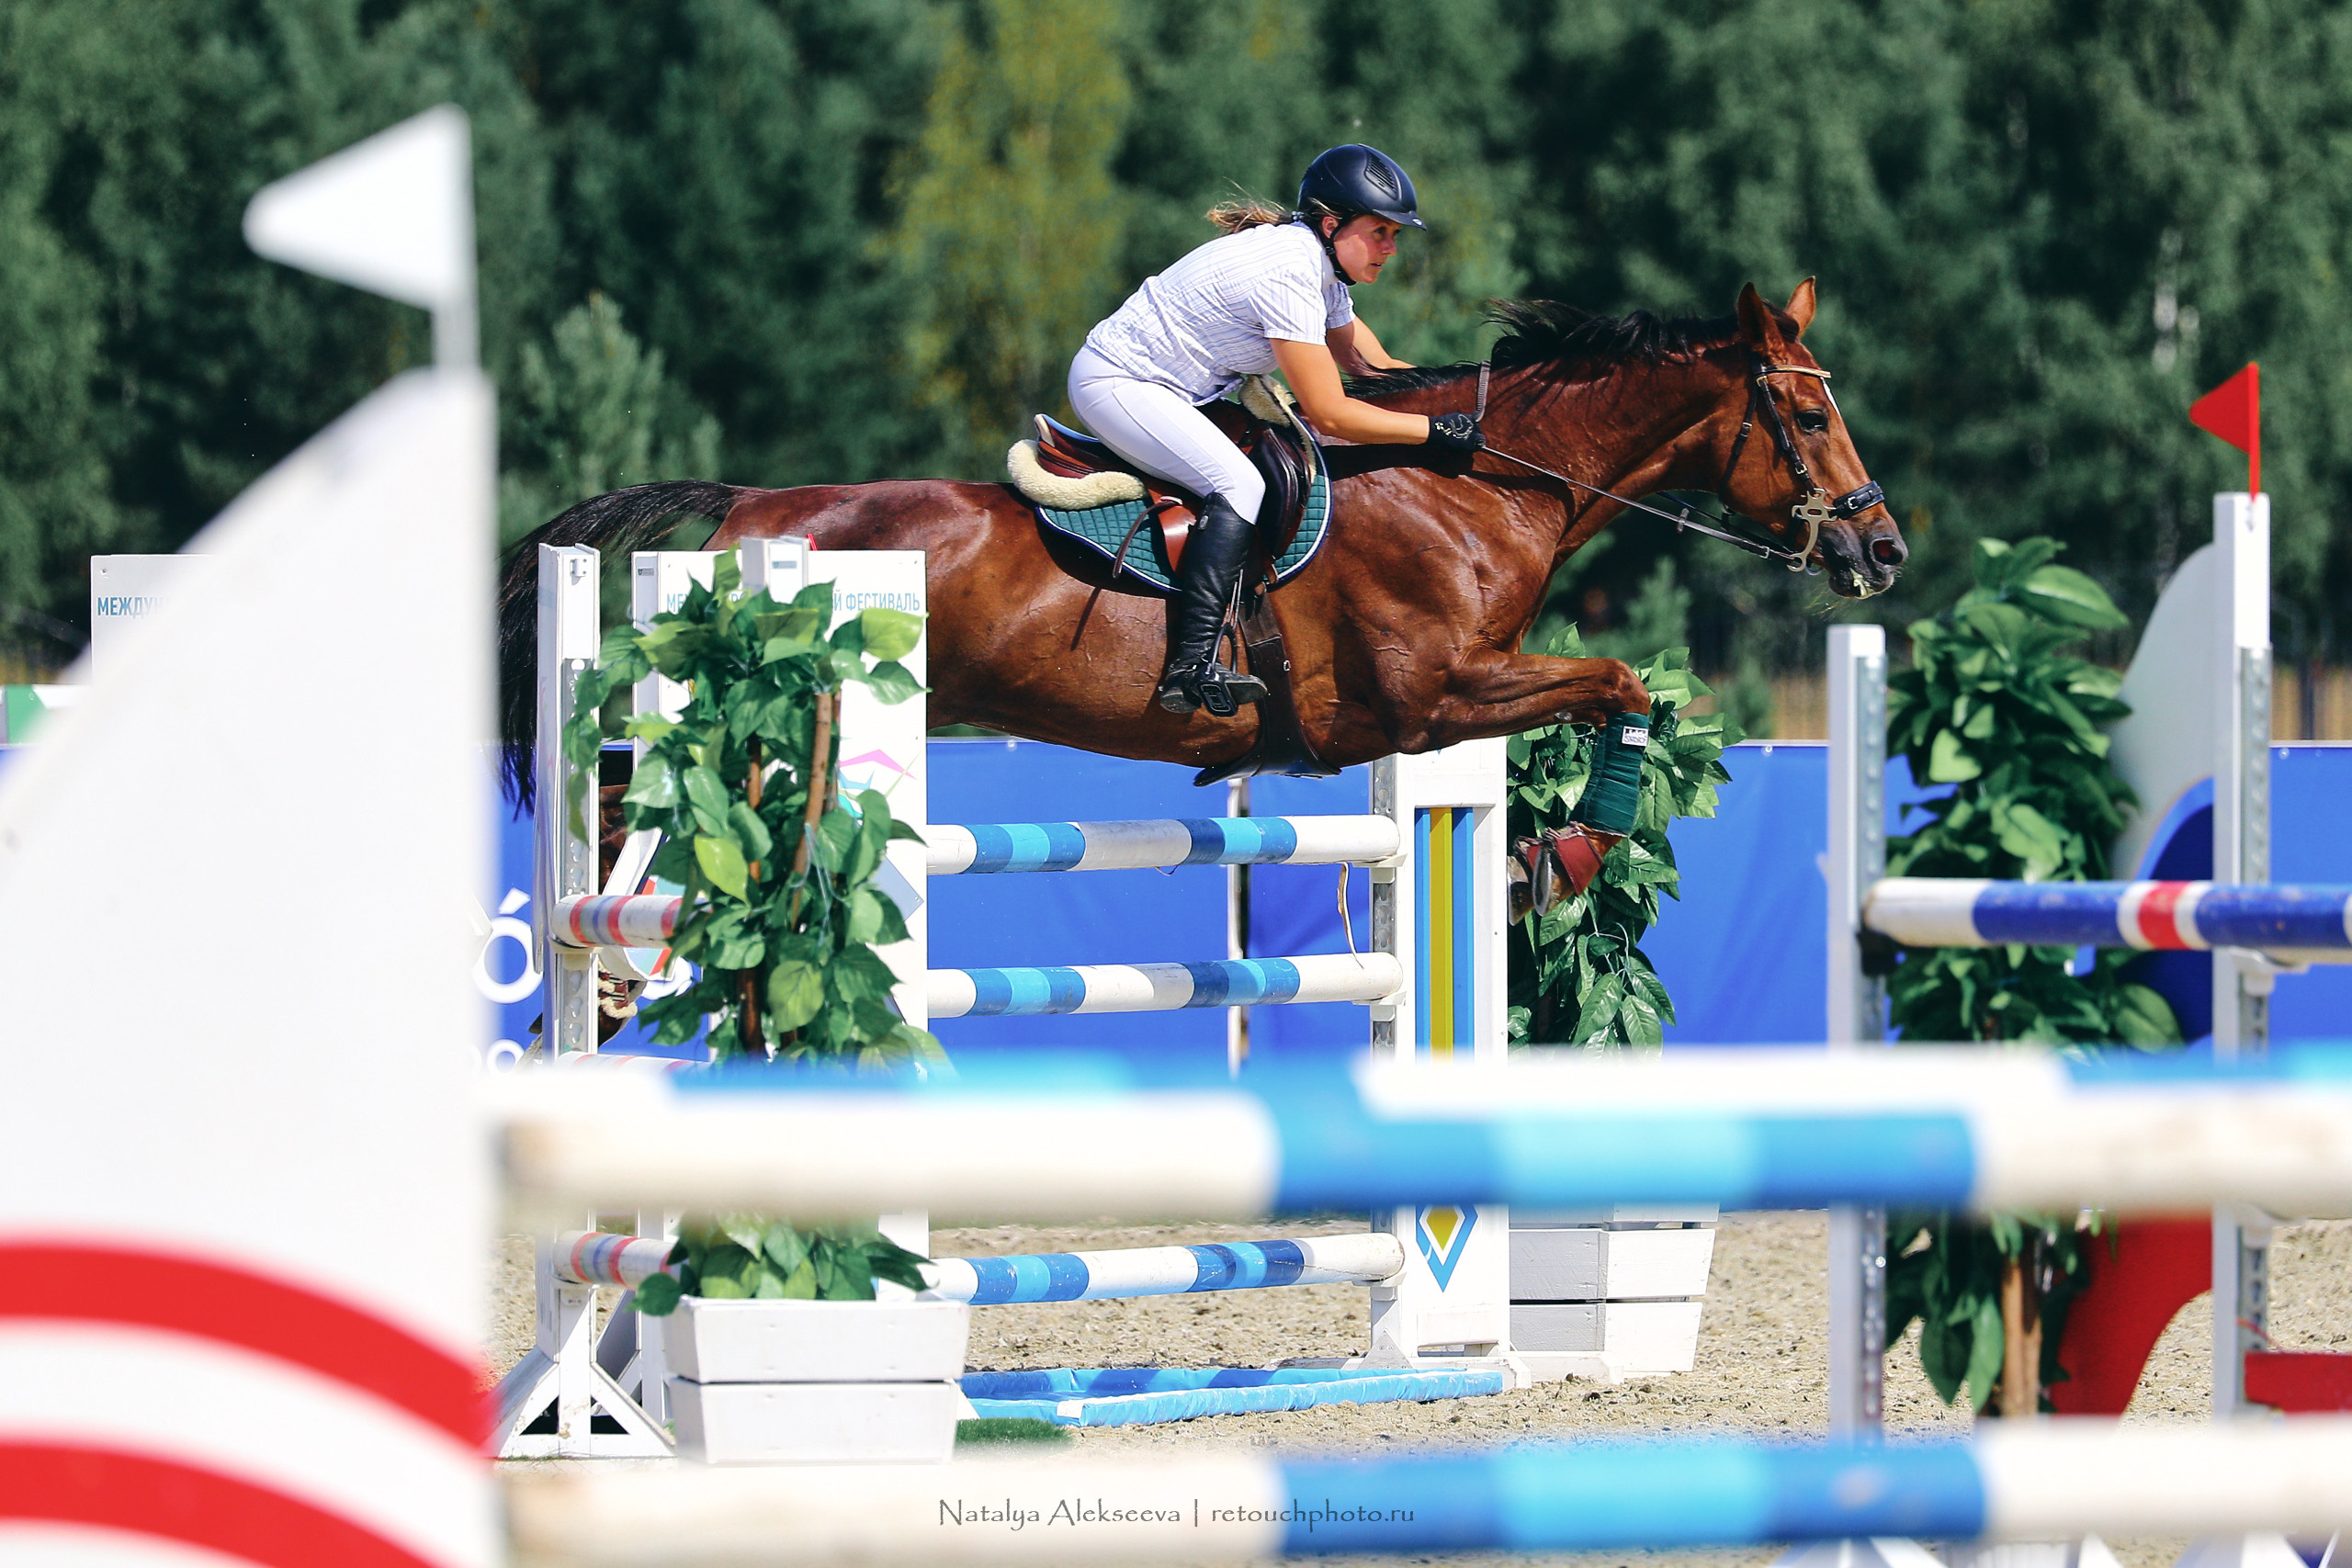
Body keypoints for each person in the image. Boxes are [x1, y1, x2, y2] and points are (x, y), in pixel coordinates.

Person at [1069, 143, 1484, 717]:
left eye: (1396, 234)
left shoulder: (1323, 269)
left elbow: (1376, 369)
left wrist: (1480, 406)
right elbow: (1333, 411)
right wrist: (1434, 432)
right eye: (1381, 232)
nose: (1391, 247)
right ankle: (1189, 667)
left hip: (1177, 392)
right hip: (1118, 382)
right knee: (1241, 485)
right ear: (1333, 224)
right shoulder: (1289, 272)